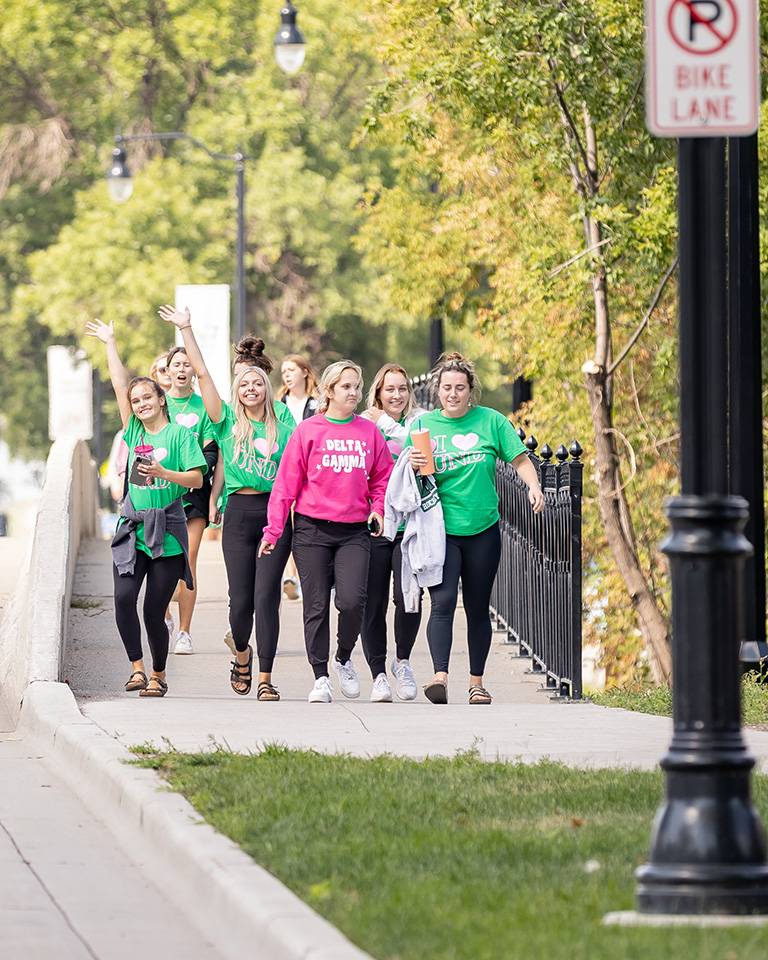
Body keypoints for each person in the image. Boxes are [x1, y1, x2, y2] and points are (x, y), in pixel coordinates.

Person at [159, 305, 293, 701]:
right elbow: (202, 375)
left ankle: (266, 677)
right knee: (242, 602)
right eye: (244, 384)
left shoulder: (285, 423)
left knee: (267, 598)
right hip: (238, 515)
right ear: (236, 391)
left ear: (266, 388)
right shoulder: (226, 419)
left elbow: (297, 471)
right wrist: (186, 328)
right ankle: (241, 651)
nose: (250, 388)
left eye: (257, 383)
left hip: (273, 514)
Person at [406, 352, 545, 705]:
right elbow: (408, 479)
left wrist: (534, 486)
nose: (453, 394)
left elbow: (519, 458)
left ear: (471, 391)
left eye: (460, 388)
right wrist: (413, 463)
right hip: (442, 530)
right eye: (447, 388)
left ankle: (476, 683)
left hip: (483, 528)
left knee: (478, 605)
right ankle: (439, 677)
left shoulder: (491, 422)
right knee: (443, 601)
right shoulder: (423, 428)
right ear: (438, 391)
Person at [258, 360, 393, 703]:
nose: (354, 393)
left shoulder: (368, 432)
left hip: (354, 532)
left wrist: (377, 509)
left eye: (357, 386)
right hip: (311, 530)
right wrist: (273, 532)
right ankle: (320, 677)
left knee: (351, 602)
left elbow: (383, 477)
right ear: (329, 391)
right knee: (315, 606)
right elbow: (285, 485)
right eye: (346, 386)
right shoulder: (308, 431)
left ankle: (343, 657)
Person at [85, 318, 206, 698]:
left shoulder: (180, 435)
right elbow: (120, 384)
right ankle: (137, 668)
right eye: (136, 402)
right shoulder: (133, 430)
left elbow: (197, 480)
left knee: (154, 610)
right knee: (123, 599)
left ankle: (158, 673)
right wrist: (110, 342)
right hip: (133, 528)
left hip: (168, 530)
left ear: (161, 399)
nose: (140, 404)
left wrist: (164, 471)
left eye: (146, 398)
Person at [359, 363, 426, 702]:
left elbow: (424, 458)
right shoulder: (362, 426)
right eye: (390, 389)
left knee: (408, 598)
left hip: (409, 527)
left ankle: (403, 662)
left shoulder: (421, 421)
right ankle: (378, 674)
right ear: (378, 393)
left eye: (402, 389)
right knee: (372, 602)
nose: (397, 395)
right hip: (374, 525)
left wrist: (384, 423)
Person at [163, 345, 219, 655]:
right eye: (177, 364)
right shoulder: (159, 404)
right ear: (168, 371)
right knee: (161, 559)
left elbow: (211, 452)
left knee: (189, 556)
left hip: (194, 491)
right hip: (161, 492)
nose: (182, 369)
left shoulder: (203, 408)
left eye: (187, 364)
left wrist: (191, 470)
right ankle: (165, 615)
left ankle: (185, 631)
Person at [277, 355, 319, 599]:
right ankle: (291, 575)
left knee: (300, 519)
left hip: (311, 471)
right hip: (285, 468)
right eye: (284, 371)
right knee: (287, 517)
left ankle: (300, 576)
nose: (287, 375)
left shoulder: (317, 404)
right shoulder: (277, 404)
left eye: (291, 370)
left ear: (304, 372)